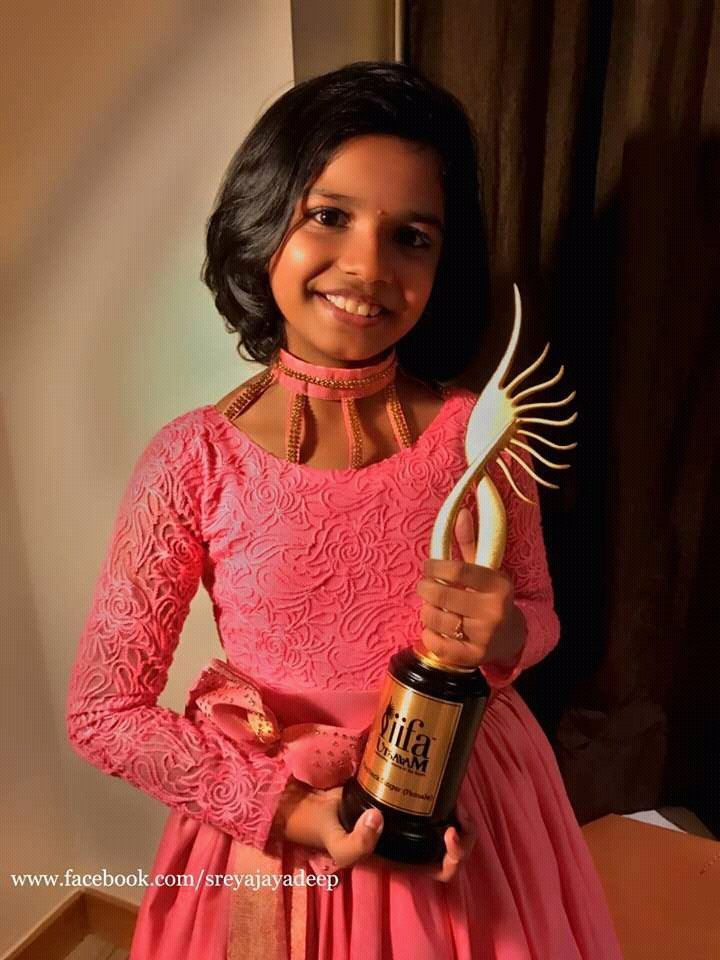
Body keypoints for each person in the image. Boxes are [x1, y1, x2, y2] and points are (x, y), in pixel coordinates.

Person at [66, 61, 622, 960]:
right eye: (328, 216)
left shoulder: (482, 435)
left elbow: (540, 611)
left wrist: (509, 632)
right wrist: (287, 809)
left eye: (412, 236)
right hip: (280, 837)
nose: (368, 266)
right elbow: (103, 711)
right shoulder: (191, 461)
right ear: (264, 218)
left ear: (444, 262)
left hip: (471, 797)